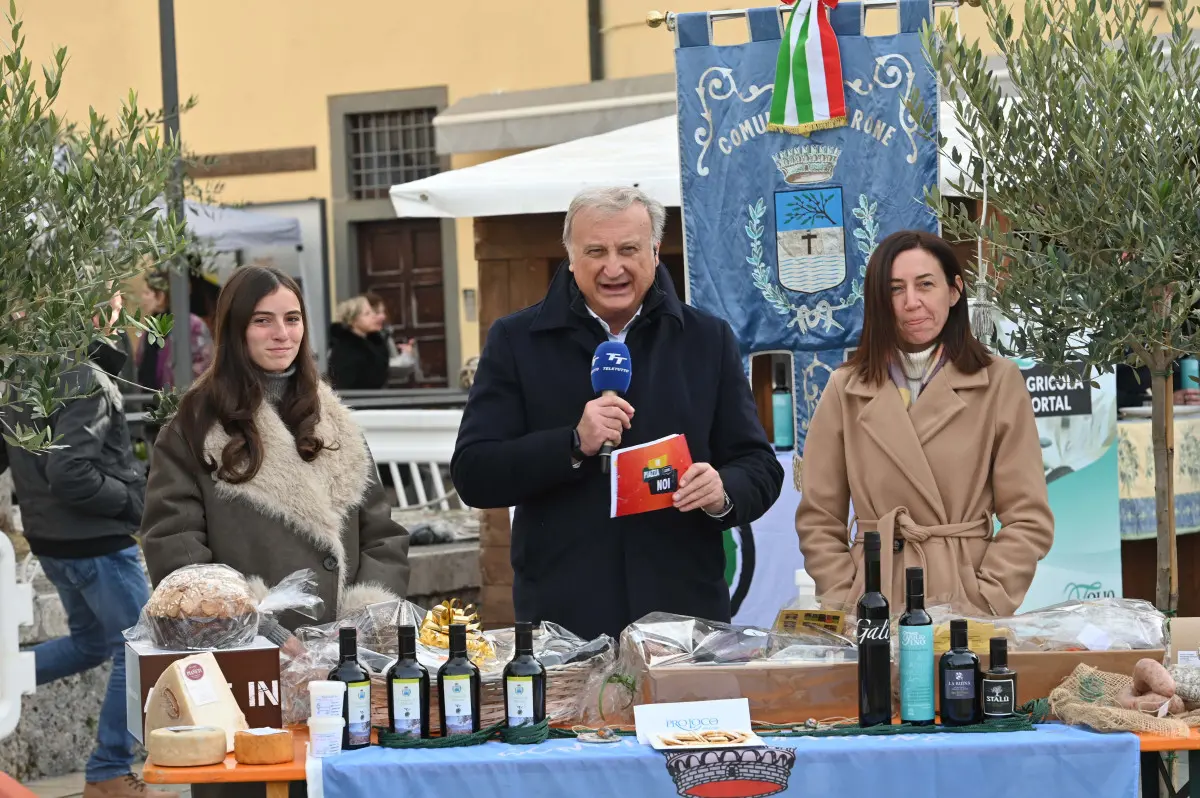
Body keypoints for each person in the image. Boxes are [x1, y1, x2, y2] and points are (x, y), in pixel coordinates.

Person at [451, 187, 784, 641]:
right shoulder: (516, 342)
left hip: (684, 617)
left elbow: (760, 467)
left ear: (653, 252)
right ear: (570, 257)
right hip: (564, 621)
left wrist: (722, 490)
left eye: (629, 249)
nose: (613, 267)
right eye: (595, 251)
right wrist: (571, 444)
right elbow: (474, 472)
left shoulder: (706, 340)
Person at [140, 265, 410, 642]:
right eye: (262, 320)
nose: (282, 334)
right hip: (247, 652)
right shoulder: (195, 427)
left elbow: (383, 535)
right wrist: (259, 628)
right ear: (235, 329)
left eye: (292, 319)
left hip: (347, 655)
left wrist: (362, 619)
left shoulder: (336, 421)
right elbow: (175, 548)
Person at [796, 230, 1054, 617]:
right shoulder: (845, 388)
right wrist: (845, 596)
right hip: (874, 596)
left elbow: (1028, 516)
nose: (911, 302)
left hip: (963, 599)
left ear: (954, 291)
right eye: (895, 289)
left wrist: (988, 596)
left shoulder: (998, 382)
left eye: (926, 284)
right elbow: (819, 517)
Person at [0, 296, 167, 798]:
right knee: (143, 647)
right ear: (94, 311)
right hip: (94, 540)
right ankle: (108, 772)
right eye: (116, 304)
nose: (123, 314)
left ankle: (4, 674)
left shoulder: (23, 375)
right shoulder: (83, 375)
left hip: (53, 540)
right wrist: (135, 504)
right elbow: (70, 472)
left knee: (92, 643)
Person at [134, 269, 215, 390]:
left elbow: (203, 369)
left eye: (146, 293)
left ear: (161, 296)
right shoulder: (150, 328)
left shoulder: (191, 325)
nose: (142, 298)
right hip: (149, 403)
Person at [327, 295, 390, 390]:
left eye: (372, 312)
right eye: (367, 314)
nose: (373, 316)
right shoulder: (346, 350)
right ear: (353, 320)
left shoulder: (373, 342)